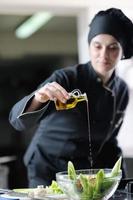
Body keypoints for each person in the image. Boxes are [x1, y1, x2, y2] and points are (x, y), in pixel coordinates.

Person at [9, 7, 133, 188]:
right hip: (47, 168)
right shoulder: (66, 78)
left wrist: (121, 184)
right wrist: (39, 97)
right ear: (90, 45)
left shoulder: (121, 89)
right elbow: (16, 121)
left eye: (113, 47)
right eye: (97, 46)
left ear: (123, 51)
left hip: (82, 174)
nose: (103, 55)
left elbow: (109, 143)